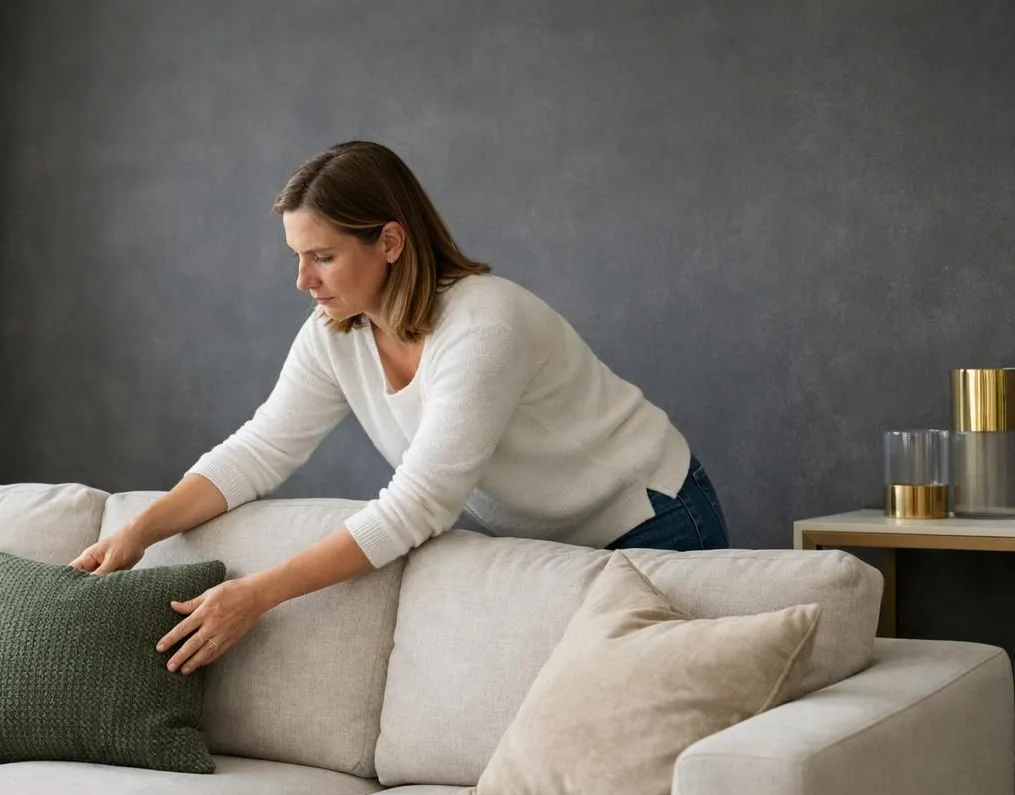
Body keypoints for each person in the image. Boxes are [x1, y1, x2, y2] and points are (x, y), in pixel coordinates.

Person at [71, 140, 729, 677]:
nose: (303, 281)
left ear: (389, 241)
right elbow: (259, 450)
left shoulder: (484, 326)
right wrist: (140, 530)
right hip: (550, 543)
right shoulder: (336, 333)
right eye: (298, 257)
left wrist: (257, 595)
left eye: (323, 257)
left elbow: (419, 505)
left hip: (651, 515)